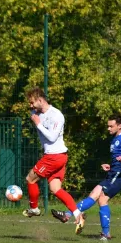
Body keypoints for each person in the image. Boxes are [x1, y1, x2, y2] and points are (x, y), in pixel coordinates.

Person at [51, 113, 121, 240]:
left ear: (119, 126)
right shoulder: (114, 139)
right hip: (113, 173)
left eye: (111, 126)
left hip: (120, 176)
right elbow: (118, 158)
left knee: (102, 199)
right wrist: (111, 166)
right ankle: (68, 215)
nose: (108, 129)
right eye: (108, 126)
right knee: (94, 194)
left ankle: (104, 233)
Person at [22, 87, 78, 220]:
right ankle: (78, 215)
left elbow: (52, 138)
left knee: (30, 179)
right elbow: (33, 113)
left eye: (32, 103)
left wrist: (38, 124)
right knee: (55, 188)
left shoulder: (56, 115)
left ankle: (34, 208)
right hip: (59, 156)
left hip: (54, 156)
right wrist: (35, 116)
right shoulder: (36, 113)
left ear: (40, 100)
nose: (30, 106)